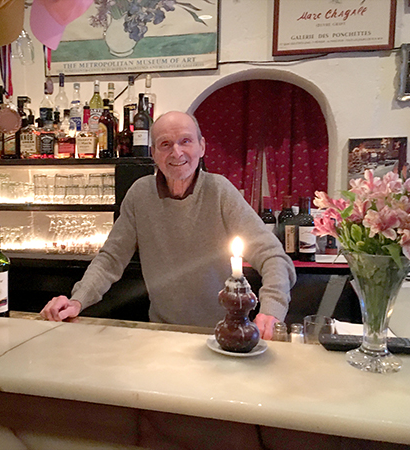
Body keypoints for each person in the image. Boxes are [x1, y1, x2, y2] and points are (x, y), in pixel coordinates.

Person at [41, 111, 296, 339]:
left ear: (202, 146)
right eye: (165, 144)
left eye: (185, 141)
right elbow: (110, 259)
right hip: (162, 333)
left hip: (221, 334)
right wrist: (77, 300)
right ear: (153, 153)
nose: (176, 153)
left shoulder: (220, 191)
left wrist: (272, 310)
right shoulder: (140, 194)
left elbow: (273, 257)